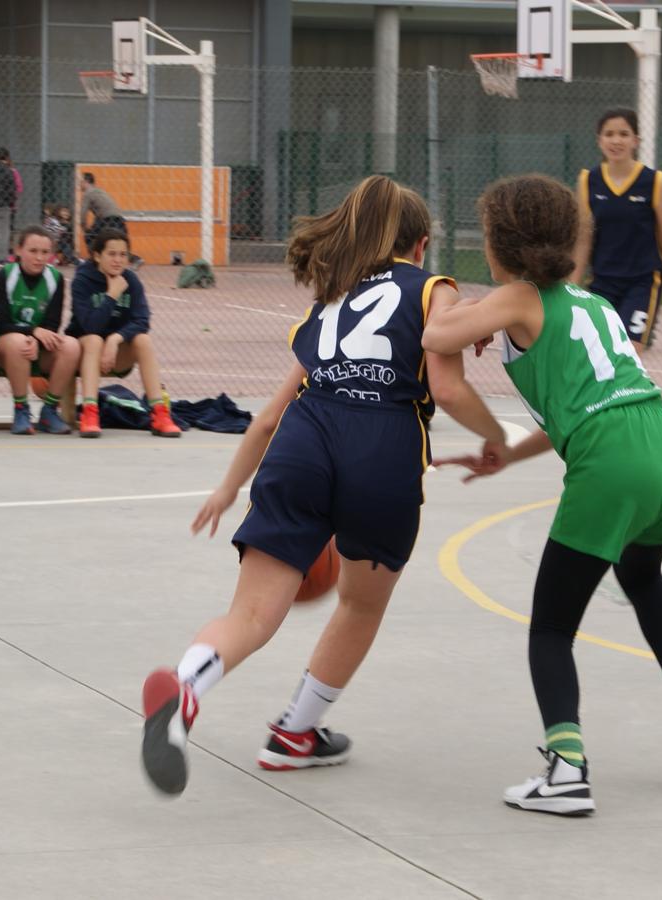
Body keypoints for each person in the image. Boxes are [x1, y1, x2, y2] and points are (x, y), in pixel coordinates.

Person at [139, 175, 507, 796]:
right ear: (420, 246)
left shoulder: (332, 302)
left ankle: (185, 686)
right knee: (361, 603)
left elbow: (266, 417)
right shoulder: (432, 289)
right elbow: (445, 388)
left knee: (251, 614)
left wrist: (229, 488)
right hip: (382, 444)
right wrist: (494, 437)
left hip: (303, 440)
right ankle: (296, 734)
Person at [423, 174, 662, 818]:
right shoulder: (589, 303)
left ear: (497, 244)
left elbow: (434, 339)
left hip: (613, 461)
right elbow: (588, 407)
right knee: (642, 574)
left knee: (552, 627)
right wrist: (505, 452)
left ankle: (565, 773)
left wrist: (443, 302)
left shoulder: (516, 296)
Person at [571, 108, 662, 351]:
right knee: (598, 351)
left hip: (642, 282)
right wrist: (570, 287)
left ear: (636, 141)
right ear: (599, 140)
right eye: (609, 134)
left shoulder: (655, 182)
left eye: (624, 134)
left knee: (629, 351)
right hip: (602, 282)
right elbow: (584, 240)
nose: (616, 140)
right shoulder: (587, 181)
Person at [66, 229, 180, 438]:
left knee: (143, 340)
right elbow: (90, 325)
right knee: (93, 340)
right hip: (82, 355)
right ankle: (90, 412)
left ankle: (159, 413)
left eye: (122, 255)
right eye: (111, 254)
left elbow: (142, 321)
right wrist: (112, 294)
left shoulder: (131, 281)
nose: (118, 260)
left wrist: (116, 339)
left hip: (115, 353)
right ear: (97, 255)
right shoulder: (83, 280)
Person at [0, 225, 80, 434]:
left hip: (36, 345)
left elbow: (52, 324)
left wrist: (37, 339)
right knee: (17, 341)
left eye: (45, 252)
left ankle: (49, 411)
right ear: (18, 250)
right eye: (33, 251)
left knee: (71, 346)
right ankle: (21, 409)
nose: (39, 257)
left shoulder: (55, 279)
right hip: (5, 347)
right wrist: (31, 333)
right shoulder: (4, 276)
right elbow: (2, 322)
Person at [78, 172, 143, 268]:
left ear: (86, 181)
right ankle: (135, 259)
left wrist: (84, 227)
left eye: (80, 182)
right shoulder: (100, 191)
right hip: (118, 219)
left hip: (106, 219)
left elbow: (82, 214)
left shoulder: (88, 193)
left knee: (89, 237)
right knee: (119, 242)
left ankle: (94, 262)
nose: (79, 184)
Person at [0, 150, 16, 265]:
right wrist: (11, 203)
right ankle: (2, 258)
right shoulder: (9, 171)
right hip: (3, 205)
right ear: (7, 157)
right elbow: (12, 190)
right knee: (3, 232)